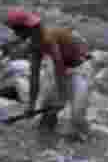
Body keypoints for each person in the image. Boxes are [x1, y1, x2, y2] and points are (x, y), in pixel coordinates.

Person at [6, 9, 92, 138]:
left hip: (79, 70)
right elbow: (34, 76)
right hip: (57, 70)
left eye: (15, 30)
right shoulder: (33, 44)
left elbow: (59, 66)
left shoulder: (48, 37)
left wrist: (62, 98)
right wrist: (31, 105)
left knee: (77, 117)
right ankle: (46, 145)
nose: (15, 33)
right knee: (47, 116)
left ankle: (86, 141)